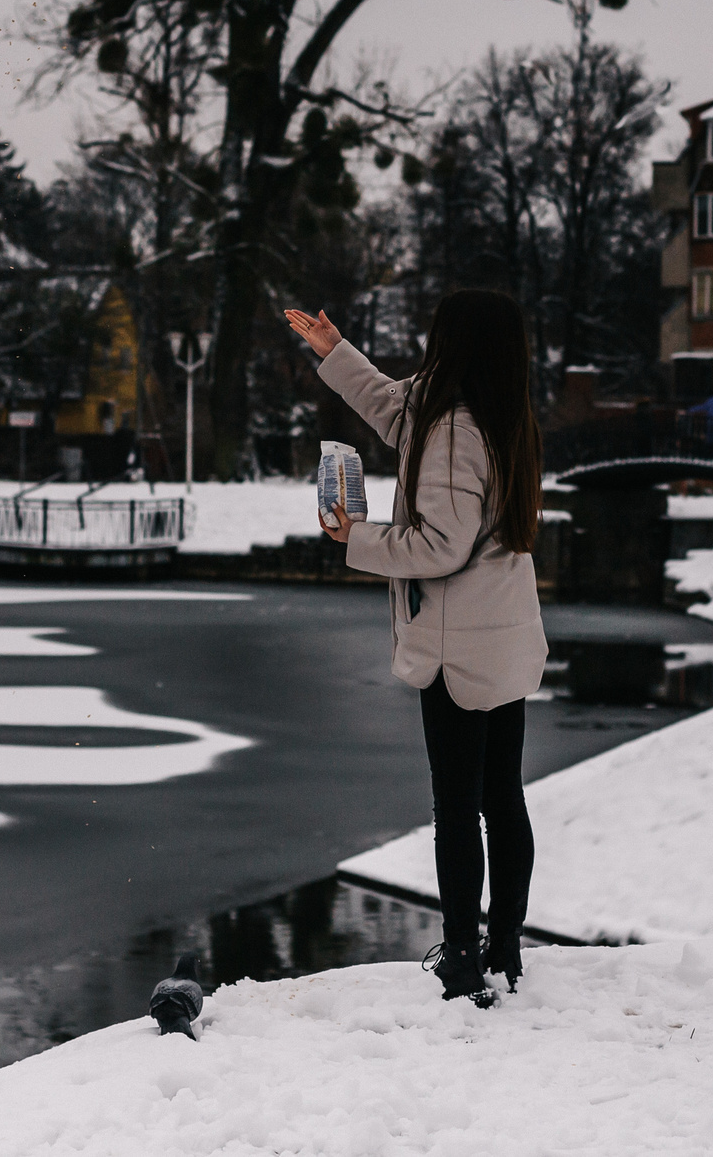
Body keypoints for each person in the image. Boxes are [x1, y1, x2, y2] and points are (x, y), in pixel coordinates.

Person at [285, 292, 548, 1006]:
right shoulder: (495, 411)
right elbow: (395, 408)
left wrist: (354, 541)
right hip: (501, 636)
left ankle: (463, 956)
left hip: (456, 647)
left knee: (458, 806)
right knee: (502, 797)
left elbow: (440, 544)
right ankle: (506, 945)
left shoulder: (456, 428)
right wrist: (334, 350)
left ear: (453, 343)